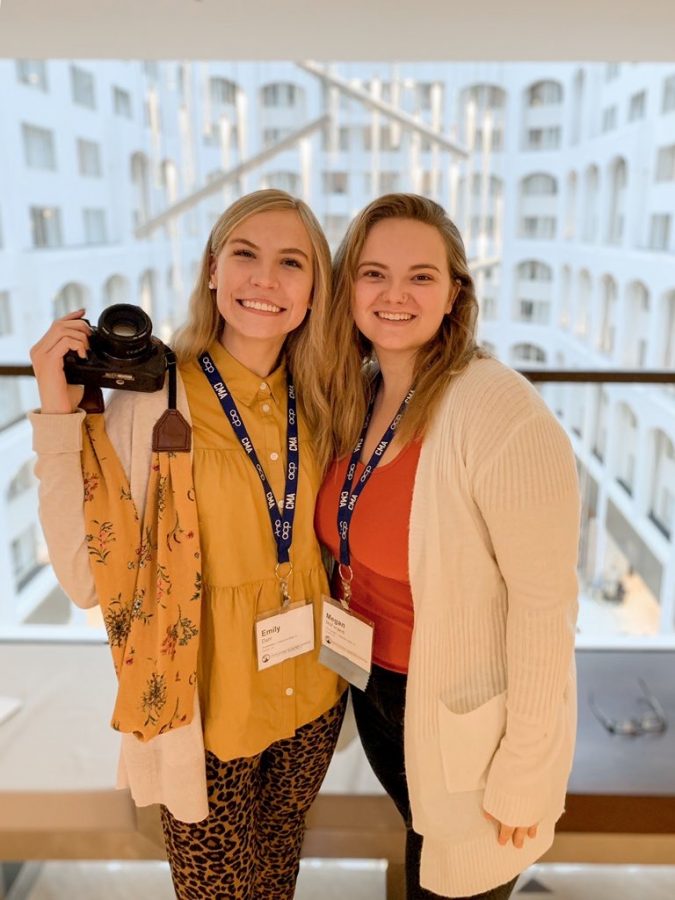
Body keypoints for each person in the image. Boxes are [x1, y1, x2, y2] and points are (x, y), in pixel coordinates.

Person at [30, 189, 346, 899]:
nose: (265, 279)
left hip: (312, 700)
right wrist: (57, 414)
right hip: (202, 712)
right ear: (212, 270)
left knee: (278, 877)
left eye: (290, 262)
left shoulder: (326, 394)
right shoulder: (153, 398)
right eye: (245, 255)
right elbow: (86, 576)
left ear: (312, 292)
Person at [315, 193, 580, 899]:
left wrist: (525, 772)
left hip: (461, 718)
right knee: (420, 854)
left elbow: (543, 607)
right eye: (372, 273)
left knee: (450, 883)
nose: (394, 294)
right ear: (346, 290)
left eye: (420, 276)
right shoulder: (361, 395)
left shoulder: (497, 409)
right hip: (376, 693)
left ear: (453, 293)